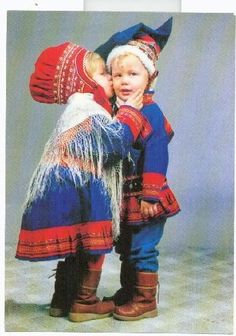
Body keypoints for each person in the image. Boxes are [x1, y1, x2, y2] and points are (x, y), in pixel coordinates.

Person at [15, 41, 147, 322]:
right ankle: (84, 302)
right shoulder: (89, 112)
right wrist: (130, 113)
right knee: (92, 242)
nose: (111, 79)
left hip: (67, 184)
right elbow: (115, 145)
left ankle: (62, 298)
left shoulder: (78, 110)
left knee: (77, 243)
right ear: (85, 82)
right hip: (80, 187)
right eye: (103, 75)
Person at [95, 17, 180, 321]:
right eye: (118, 75)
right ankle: (129, 291)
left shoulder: (151, 113)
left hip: (146, 196)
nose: (125, 81)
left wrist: (151, 195)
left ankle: (146, 301)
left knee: (143, 248)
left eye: (133, 74)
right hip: (124, 196)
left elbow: (157, 154)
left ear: (149, 78)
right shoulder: (118, 113)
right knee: (126, 246)